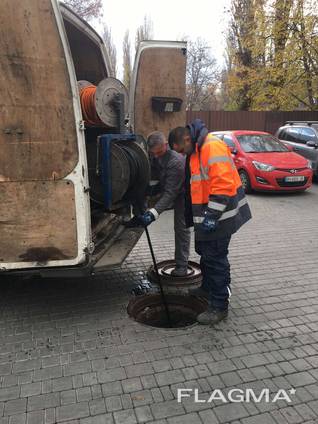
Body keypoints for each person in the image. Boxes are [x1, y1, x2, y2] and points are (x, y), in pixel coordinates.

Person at [174, 119, 252, 325]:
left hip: (219, 218)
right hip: (208, 218)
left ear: (187, 138)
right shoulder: (196, 151)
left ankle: (219, 306)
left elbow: (223, 186)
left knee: (216, 260)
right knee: (206, 255)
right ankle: (207, 289)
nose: (181, 154)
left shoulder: (211, 147)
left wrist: (211, 216)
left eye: (181, 150)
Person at [139, 131, 190, 277]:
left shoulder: (176, 162)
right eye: (153, 153)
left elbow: (170, 193)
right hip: (168, 187)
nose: (156, 156)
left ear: (166, 145)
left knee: (181, 228)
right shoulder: (154, 155)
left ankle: (182, 266)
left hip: (183, 194)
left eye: (159, 152)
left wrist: (153, 213)